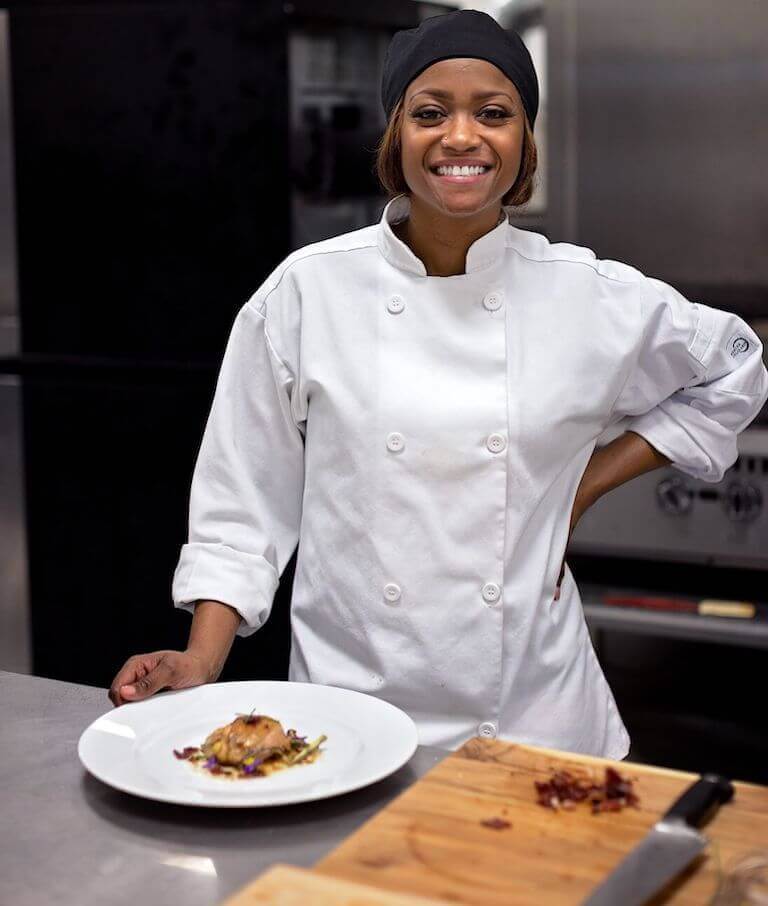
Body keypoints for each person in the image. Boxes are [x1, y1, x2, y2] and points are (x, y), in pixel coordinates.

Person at [109, 9, 768, 757]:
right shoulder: (307, 293)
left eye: (494, 113)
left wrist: (582, 485)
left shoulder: (587, 294)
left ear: (524, 141)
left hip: (535, 725)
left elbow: (735, 367)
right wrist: (200, 661)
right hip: (346, 723)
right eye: (431, 113)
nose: (461, 137)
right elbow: (241, 503)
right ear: (397, 135)